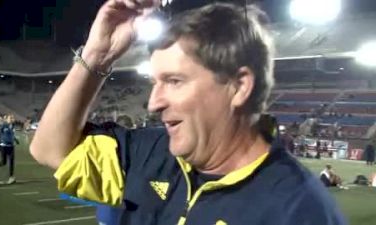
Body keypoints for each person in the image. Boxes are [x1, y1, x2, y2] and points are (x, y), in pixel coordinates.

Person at [30, 1, 346, 224]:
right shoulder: (149, 151)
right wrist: (98, 55)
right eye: (155, 82)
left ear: (238, 86)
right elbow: (48, 149)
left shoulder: (299, 210)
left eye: (174, 81)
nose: (154, 103)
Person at [0, 114, 19, 184]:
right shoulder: (3, 126)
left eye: (12, 118)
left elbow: (12, 134)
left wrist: (15, 140)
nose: (12, 119)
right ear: (7, 119)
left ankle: (11, 177)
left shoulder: (13, 126)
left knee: (11, 162)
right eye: (10, 118)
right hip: (3, 146)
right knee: (4, 162)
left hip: (11, 146)